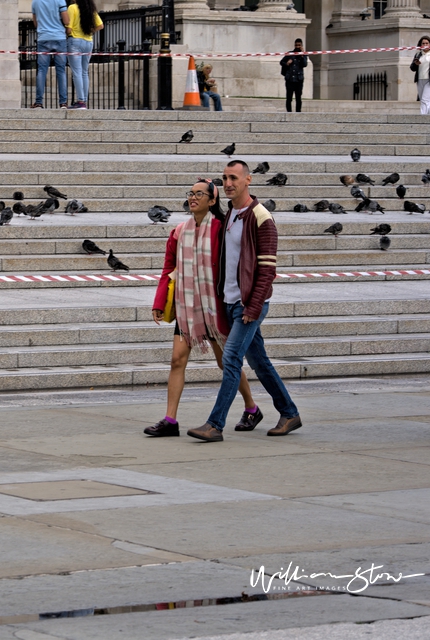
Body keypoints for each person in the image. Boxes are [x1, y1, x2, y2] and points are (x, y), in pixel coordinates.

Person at [188, 160, 302, 443]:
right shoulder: (230, 215)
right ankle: (289, 412)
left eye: (234, 178)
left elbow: (267, 269)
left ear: (248, 180)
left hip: (248, 304)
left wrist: (253, 306)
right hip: (230, 302)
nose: (228, 183)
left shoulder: (261, 216)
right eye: (225, 178)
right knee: (260, 362)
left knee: (231, 359)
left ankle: (215, 424)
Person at [145, 179, 259, 438]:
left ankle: (251, 408)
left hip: (215, 306)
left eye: (200, 194)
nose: (193, 198)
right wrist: (159, 302)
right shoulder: (178, 232)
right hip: (186, 306)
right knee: (177, 360)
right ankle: (170, 420)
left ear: (212, 200)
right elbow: (168, 269)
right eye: (191, 193)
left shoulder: (222, 229)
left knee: (225, 363)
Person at [31, 0, 69, 108]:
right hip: (59, 38)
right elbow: (66, 21)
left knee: (42, 70)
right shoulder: (59, 0)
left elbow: (35, 22)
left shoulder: (35, 2)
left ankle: (38, 102)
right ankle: (63, 102)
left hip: (43, 38)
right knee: (61, 70)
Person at [66, 0, 102, 110]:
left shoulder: (72, 8)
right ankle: (84, 101)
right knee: (84, 72)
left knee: (77, 72)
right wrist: (91, 31)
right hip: (88, 41)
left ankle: (80, 101)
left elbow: (69, 29)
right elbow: (100, 25)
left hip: (75, 41)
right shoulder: (91, 10)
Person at [279, 39, 308, 113]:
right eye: (296, 45)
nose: (297, 46)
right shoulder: (290, 53)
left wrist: (302, 55)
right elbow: (281, 62)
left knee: (298, 98)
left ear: (301, 46)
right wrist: (287, 63)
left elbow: (304, 64)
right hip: (290, 79)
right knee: (289, 98)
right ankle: (289, 112)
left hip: (298, 80)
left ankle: (298, 112)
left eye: (299, 45)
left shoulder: (304, 54)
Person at [410, 36, 430, 115]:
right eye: (423, 43)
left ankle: (422, 118)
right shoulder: (418, 54)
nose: (425, 45)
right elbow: (412, 68)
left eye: (426, 43)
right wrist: (415, 64)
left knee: (425, 100)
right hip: (420, 79)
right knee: (424, 101)